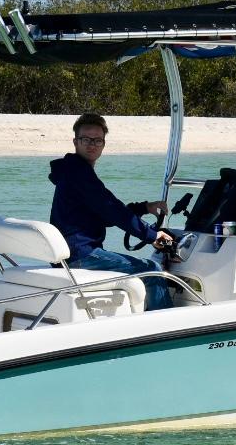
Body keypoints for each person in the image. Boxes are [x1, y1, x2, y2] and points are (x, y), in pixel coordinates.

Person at [48, 112, 175, 311]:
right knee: (153, 271)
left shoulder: (72, 171)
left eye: (98, 140)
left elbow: (105, 211)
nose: (92, 144)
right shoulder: (80, 175)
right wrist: (152, 235)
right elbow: (112, 210)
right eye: (86, 139)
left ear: (103, 144)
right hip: (80, 255)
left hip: (70, 255)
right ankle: (167, 330)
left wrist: (143, 208)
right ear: (76, 141)